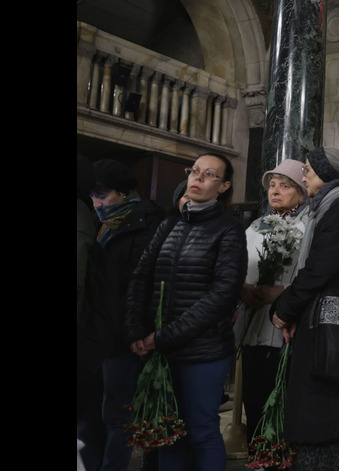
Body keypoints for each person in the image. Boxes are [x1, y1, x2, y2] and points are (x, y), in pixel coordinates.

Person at [126, 152, 247, 471]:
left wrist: (161, 337)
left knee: (201, 430)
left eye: (209, 174)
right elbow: (141, 277)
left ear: (224, 186)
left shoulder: (229, 230)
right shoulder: (168, 225)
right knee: (170, 431)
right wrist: (137, 330)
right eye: (195, 171)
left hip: (203, 351)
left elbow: (222, 295)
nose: (198, 178)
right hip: (160, 348)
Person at [268, 147, 339, 470]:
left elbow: (320, 269)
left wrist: (284, 308)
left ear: (327, 174)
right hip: (322, 327)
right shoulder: (332, 207)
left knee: (325, 416)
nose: (304, 176)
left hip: (332, 335)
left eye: (309, 170)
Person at [79, 159, 167, 471]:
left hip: (121, 337)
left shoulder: (146, 222)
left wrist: (133, 331)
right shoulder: (101, 222)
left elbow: (139, 285)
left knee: (117, 416)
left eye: (102, 196)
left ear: (123, 193)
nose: (96, 203)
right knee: (88, 415)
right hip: (95, 335)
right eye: (93, 196)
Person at [239, 159, 310, 451]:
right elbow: (239, 263)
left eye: (285, 185)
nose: (275, 191)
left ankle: (280, 458)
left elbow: (309, 272)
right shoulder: (256, 225)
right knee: (253, 400)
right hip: (251, 320)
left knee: (280, 401)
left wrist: (280, 292)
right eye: (272, 185)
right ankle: (259, 458)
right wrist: (243, 289)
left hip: (286, 327)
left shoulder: (308, 226)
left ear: (301, 192)